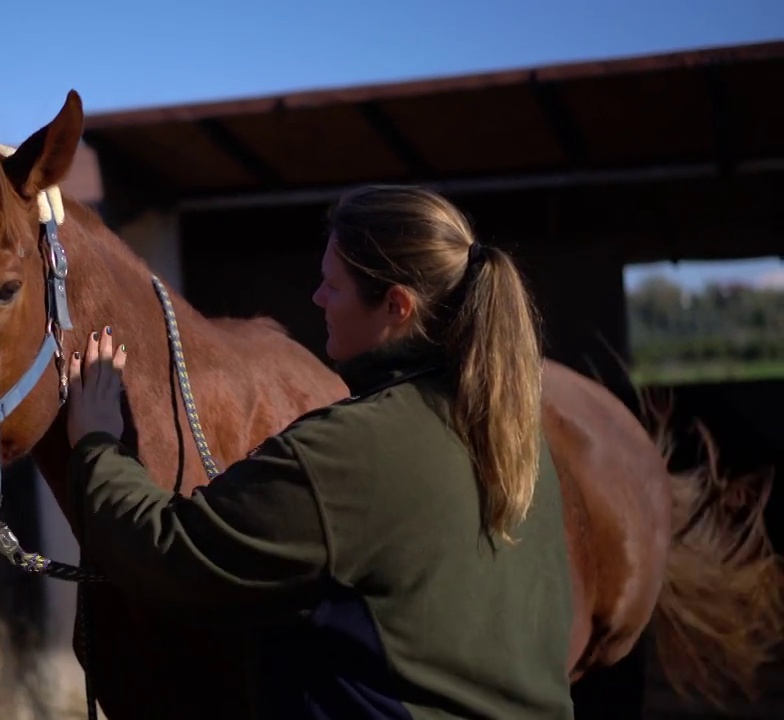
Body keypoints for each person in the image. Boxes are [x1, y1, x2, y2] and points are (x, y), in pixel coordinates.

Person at [64, 185, 574, 719]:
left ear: (396, 305)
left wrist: (97, 443)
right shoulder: (511, 433)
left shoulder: (351, 448)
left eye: (334, 285)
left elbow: (167, 554)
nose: (317, 299)